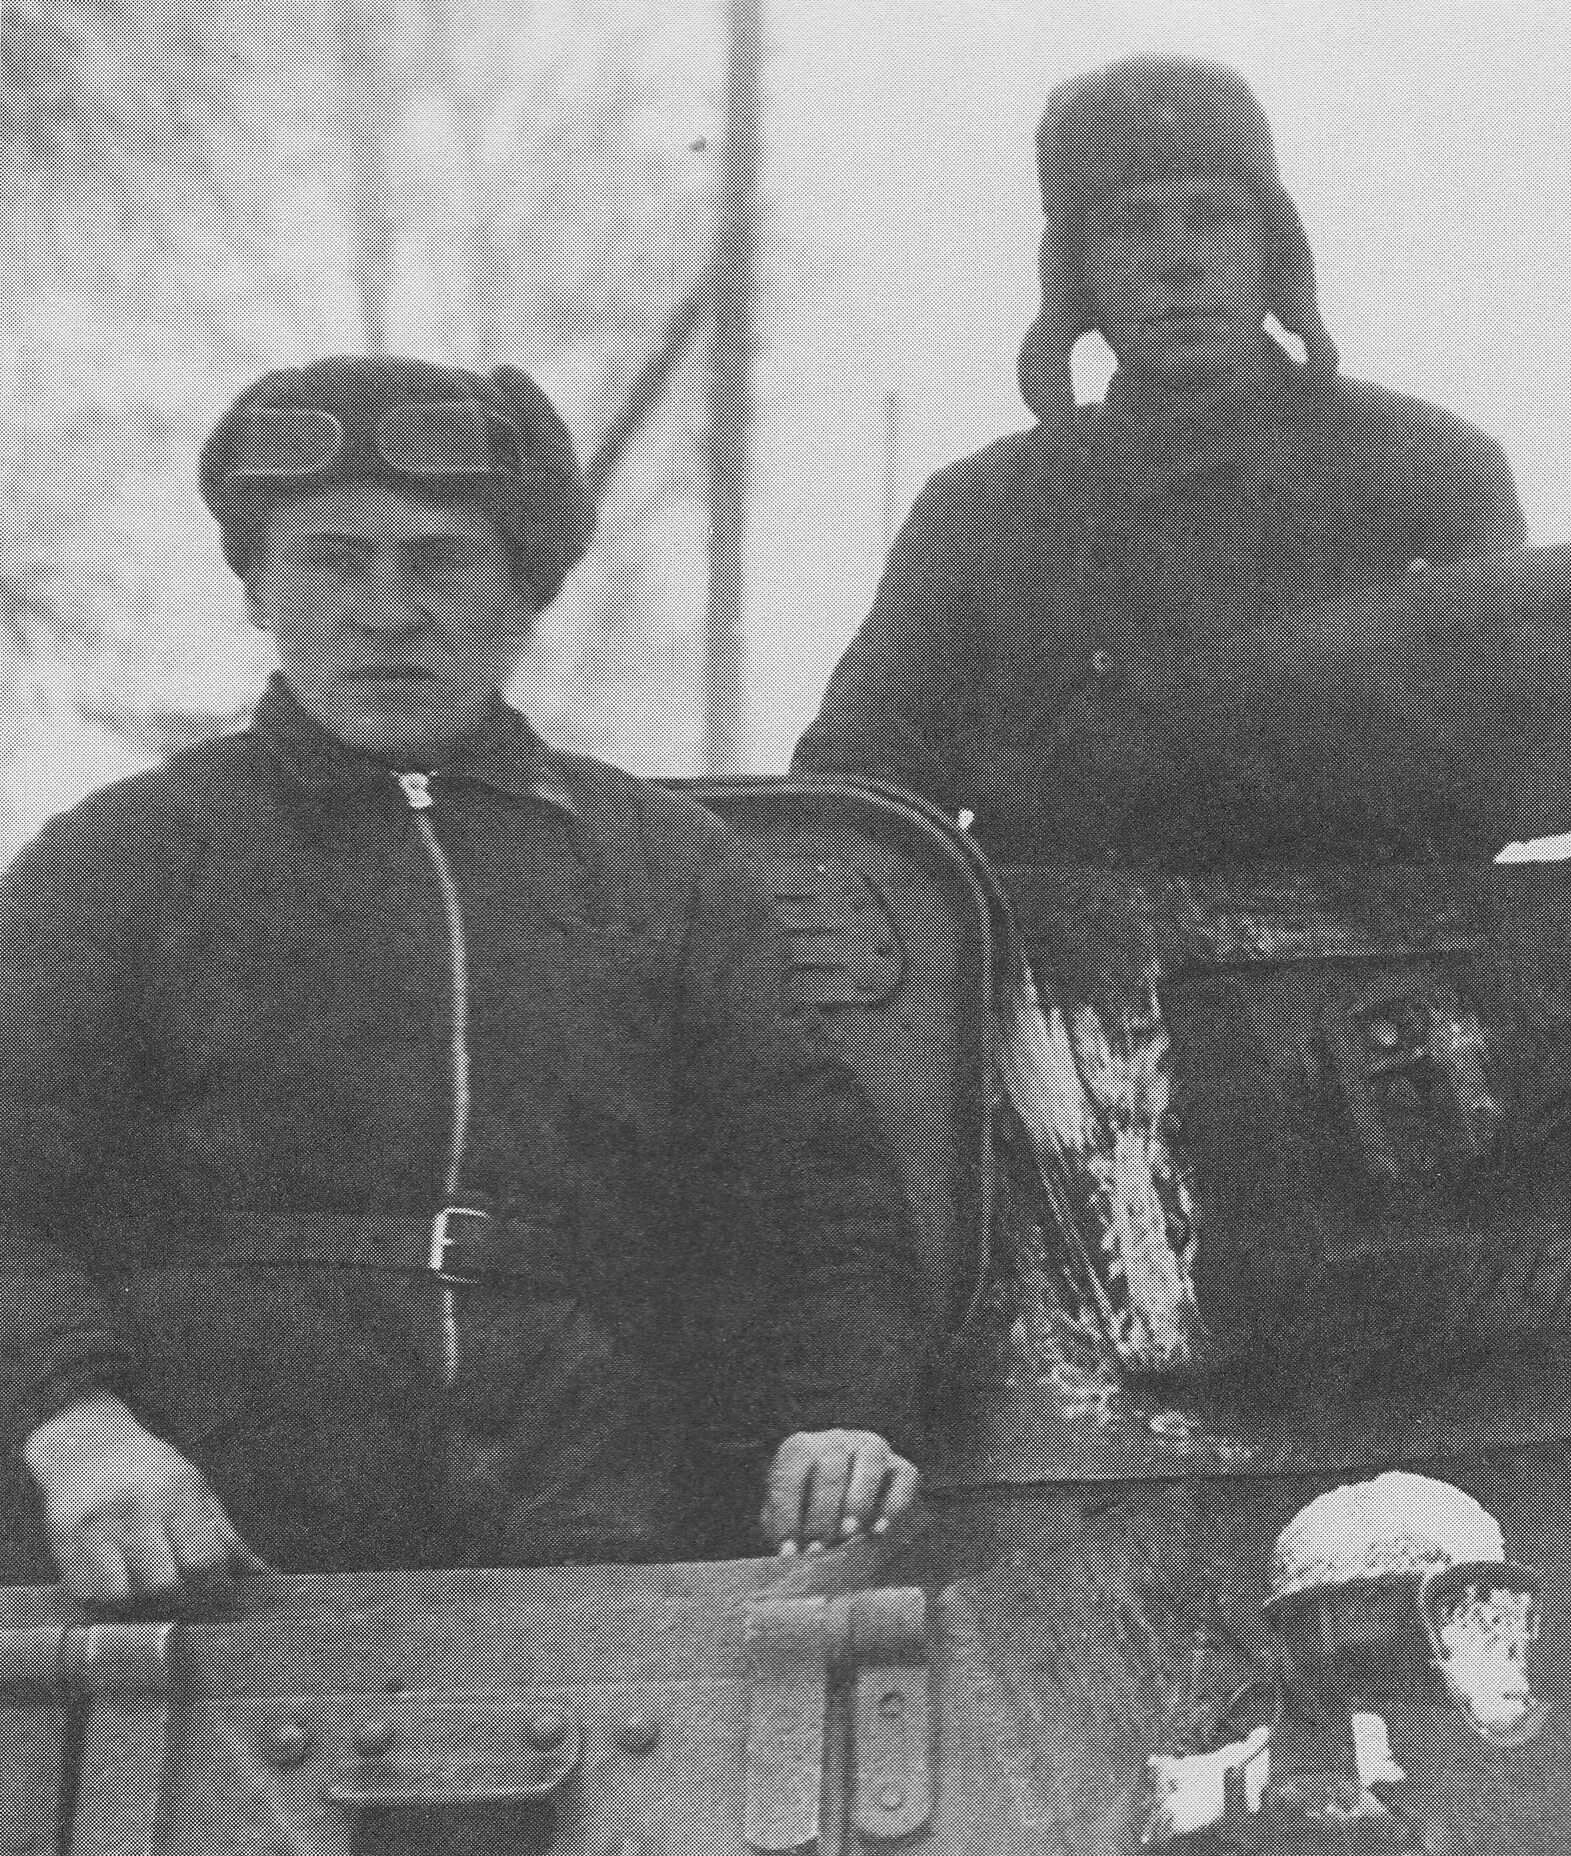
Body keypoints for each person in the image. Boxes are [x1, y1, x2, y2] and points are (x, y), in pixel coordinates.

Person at [0, 356, 924, 1611]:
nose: (387, 610)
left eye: (440, 562)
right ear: (260, 587)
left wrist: (834, 1415)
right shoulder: (122, 857)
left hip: (605, 1545)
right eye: (333, 558)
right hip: (203, 1565)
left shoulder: (659, 864)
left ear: (522, 596)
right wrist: (78, 1424)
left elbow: (814, 1198)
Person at [792, 54, 1527, 864]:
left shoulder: (1429, 478)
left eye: (1211, 215)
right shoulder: (983, 517)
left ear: (1272, 249)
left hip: (1385, 968)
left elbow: (1512, 755)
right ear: (1079, 277)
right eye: (1130, 225)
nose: (1178, 258)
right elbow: (858, 807)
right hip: (1064, 976)